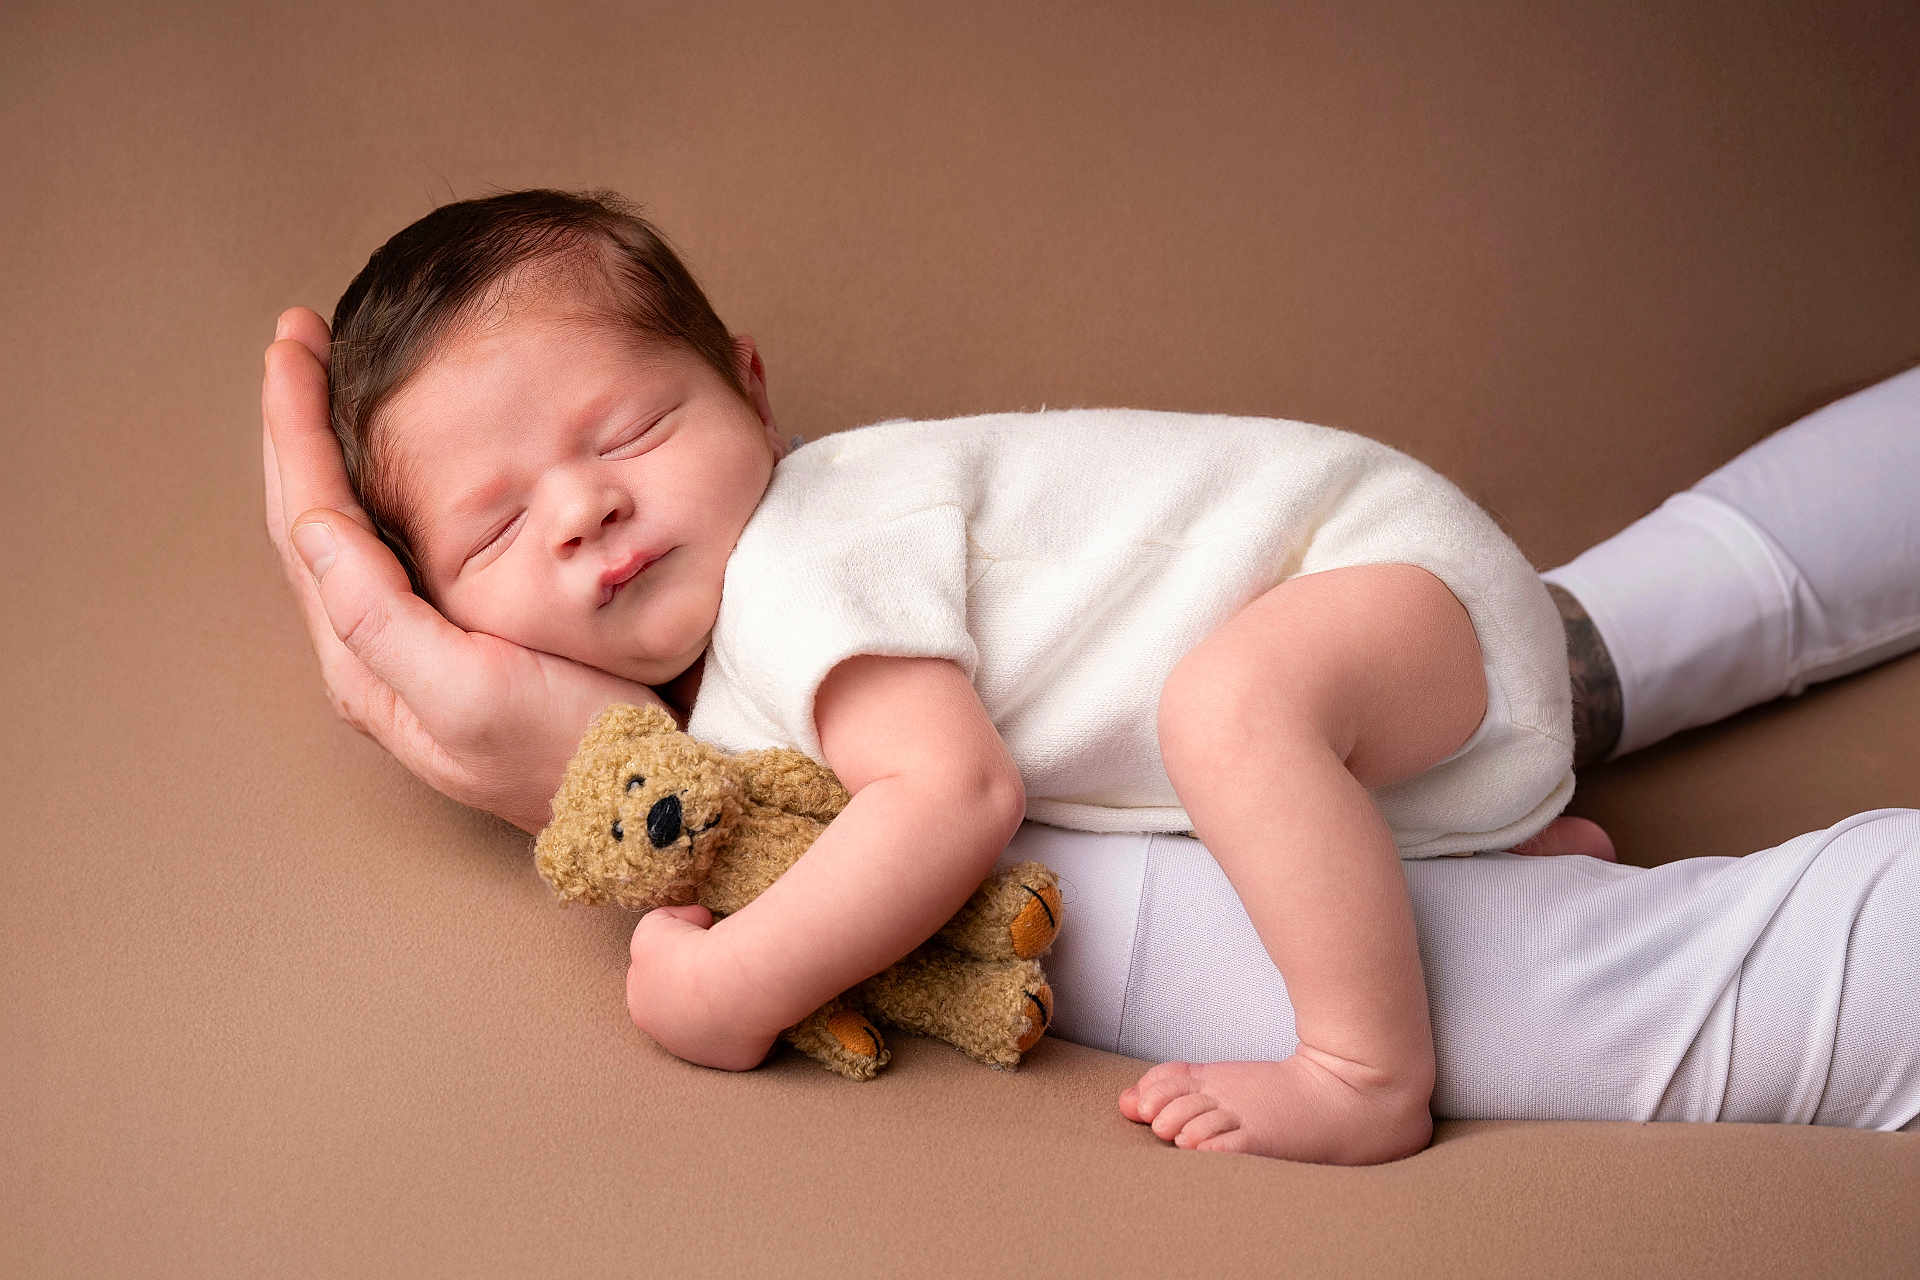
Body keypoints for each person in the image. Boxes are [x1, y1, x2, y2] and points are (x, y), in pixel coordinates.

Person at [262, 192, 1920, 1153]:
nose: (589, 509)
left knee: (1226, 714)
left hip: (1391, 596)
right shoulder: (749, 654)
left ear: (752, 391)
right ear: (449, 609)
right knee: (1217, 741)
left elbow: (956, 802)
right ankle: (1489, 851)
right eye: (493, 532)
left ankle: (1367, 1069)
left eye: (628, 427)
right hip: (1431, 676)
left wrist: (727, 980)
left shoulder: (805, 561)